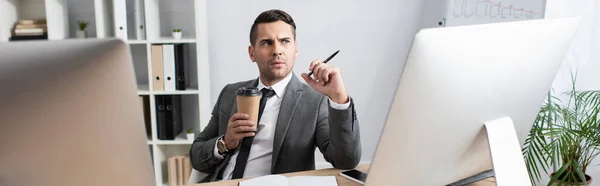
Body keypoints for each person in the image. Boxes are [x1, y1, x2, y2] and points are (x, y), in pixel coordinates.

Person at [189, 9, 361, 183]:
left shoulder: (315, 100)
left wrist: (339, 97)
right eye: (266, 43)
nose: (277, 50)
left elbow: (346, 161)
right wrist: (225, 142)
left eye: (285, 41)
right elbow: (196, 155)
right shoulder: (229, 93)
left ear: (295, 49)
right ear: (252, 53)